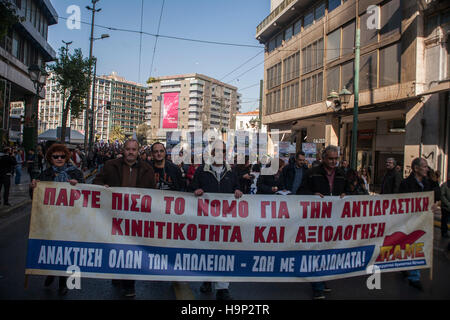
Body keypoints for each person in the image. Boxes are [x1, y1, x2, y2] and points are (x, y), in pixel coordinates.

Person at [93, 139, 156, 297]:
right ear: (123, 150)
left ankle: (129, 284)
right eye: (128, 149)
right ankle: (118, 273)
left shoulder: (147, 169)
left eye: (133, 149)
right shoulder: (110, 165)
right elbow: (96, 182)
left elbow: (154, 193)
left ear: (138, 151)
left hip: (136, 217)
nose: (130, 152)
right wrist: (102, 187)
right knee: (116, 248)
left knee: (131, 251)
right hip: (114, 217)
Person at [191, 141, 243, 300]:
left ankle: (222, 288)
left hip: (225, 221)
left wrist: (239, 191)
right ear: (212, 153)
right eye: (217, 151)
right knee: (207, 252)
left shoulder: (231, 172)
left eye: (223, 151)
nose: (220, 153)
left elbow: (239, 188)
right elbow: (192, 188)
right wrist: (196, 190)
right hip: (206, 220)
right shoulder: (202, 171)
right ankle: (207, 280)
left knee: (224, 253)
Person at [30, 143, 84, 296]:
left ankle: (63, 283)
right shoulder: (45, 174)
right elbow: (35, 199)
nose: (59, 159)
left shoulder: (76, 173)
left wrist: (78, 185)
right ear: (50, 158)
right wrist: (33, 188)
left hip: (69, 219)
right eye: (56, 156)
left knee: (65, 250)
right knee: (52, 249)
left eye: (62, 156)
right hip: (51, 219)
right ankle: (51, 272)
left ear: (67, 157)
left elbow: (86, 195)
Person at [297, 145, 349, 299]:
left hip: (334, 219)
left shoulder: (341, 174)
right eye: (330, 159)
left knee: (329, 251)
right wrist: (312, 194)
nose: (334, 162)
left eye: (336, 159)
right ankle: (317, 285)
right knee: (317, 250)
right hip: (316, 219)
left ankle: (322, 279)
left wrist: (346, 194)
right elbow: (301, 191)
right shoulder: (312, 173)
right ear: (323, 158)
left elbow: (351, 191)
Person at [398, 157, 434, 291]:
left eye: (427, 166)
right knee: (411, 246)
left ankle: (410, 271)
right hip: (409, 220)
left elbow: (434, 197)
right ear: (416, 168)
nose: (427, 169)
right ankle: (413, 276)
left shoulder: (428, 183)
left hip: (423, 220)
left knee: (417, 246)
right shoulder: (406, 184)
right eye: (424, 166)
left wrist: (435, 183)